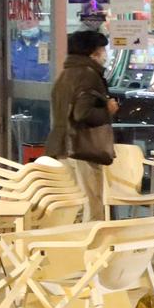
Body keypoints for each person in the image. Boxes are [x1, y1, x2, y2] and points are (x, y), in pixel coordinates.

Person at [45, 29, 118, 220]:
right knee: (92, 206)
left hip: (62, 146)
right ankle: (93, 247)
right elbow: (82, 113)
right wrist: (107, 110)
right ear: (93, 53)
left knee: (73, 207)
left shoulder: (66, 73)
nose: (105, 55)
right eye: (103, 50)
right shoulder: (89, 75)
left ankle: (73, 246)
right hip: (82, 147)